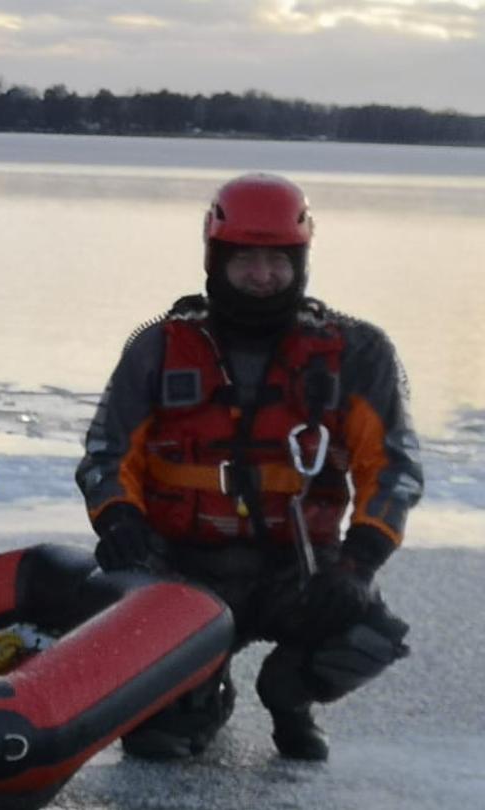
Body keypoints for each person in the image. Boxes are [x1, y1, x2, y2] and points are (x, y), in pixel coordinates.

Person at [77, 172, 417, 762]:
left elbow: (393, 469)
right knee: (160, 742)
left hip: (300, 569)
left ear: (302, 261)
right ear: (215, 260)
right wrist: (119, 522)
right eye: (246, 261)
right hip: (182, 569)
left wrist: (358, 564)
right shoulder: (158, 348)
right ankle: (198, 693)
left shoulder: (357, 354)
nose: (262, 276)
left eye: (278, 261)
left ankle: (289, 693)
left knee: (368, 633)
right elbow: (106, 456)